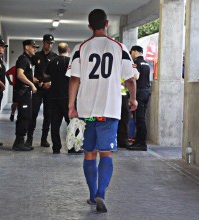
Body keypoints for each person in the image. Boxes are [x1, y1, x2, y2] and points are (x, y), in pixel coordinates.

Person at [67, 9, 137, 213]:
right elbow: (130, 79)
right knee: (106, 153)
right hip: (110, 109)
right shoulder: (119, 47)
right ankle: (101, 194)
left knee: (89, 153)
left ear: (89, 26)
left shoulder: (81, 48)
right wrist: (133, 99)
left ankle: (91, 195)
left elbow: (74, 79)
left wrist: (71, 106)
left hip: (87, 108)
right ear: (106, 24)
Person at [44, 42, 83, 154]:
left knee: (55, 123)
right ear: (68, 50)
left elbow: (46, 75)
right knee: (72, 122)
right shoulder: (70, 61)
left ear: (58, 50)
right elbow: (75, 77)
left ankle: (56, 148)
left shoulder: (52, 61)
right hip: (67, 96)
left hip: (53, 97)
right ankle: (73, 148)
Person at [26, 34, 58, 148]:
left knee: (48, 115)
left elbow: (57, 74)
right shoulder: (36, 56)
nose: (49, 45)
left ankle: (44, 139)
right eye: (48, 43)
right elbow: (28, 71)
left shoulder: (55, 57)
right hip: (38, 88)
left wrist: (51, 83)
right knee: (33, 113)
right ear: (43, 43)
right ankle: (29, 138)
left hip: (49, 89)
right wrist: (36, 81)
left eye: (51, 43)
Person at [12, 40, 39, 151]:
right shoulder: (23, 59)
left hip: (26, 93)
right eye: (33, 47)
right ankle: (19, 142)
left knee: (26, 116)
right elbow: (19, 75)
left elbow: (26, 75)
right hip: (23, 92)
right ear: (26, 47)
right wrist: (32, 84)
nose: (35, 49)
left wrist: (35, 81)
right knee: (24, 116)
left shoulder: (28, 60)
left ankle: (20, 141)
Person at [127, 45, 151, 151]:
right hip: (146, 92)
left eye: (131, 52)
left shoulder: (136, 63)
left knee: (139, 119)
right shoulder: (146, 63)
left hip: (140, 93)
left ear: (135, 52)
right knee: (142, 118)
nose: (131, 54)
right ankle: (138, 142)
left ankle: (141, 144)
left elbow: (136, 76)